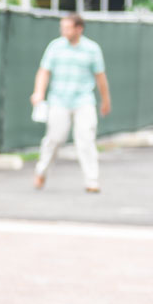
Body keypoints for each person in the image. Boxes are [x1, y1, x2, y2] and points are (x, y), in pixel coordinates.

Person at [30, 13, 111, 193]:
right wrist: (38, 92)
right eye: (62, 27)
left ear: (79, 29)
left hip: (84, 100)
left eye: (68, 27)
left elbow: (100, 77)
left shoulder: (92, 49)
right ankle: (41, 171)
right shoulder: (55, 47)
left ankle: (92, 181)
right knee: (54, 139)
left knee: (86, 139)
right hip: (59, 100)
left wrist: (105, 100)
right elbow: (44, 71)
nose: (64, 31)